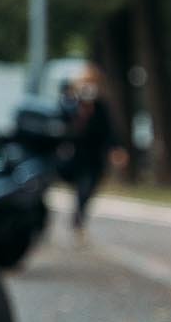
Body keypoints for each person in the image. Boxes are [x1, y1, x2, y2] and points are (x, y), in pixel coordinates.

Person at [55, 66, 128, 232]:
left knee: (87, 190)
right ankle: (76, 221)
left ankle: (78, 219)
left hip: (94, 158)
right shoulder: (70, 105)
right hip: (74, 156)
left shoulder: (101, 107)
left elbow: (110, 131)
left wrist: (116, 149)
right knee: (81, 187)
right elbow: (61, 125)